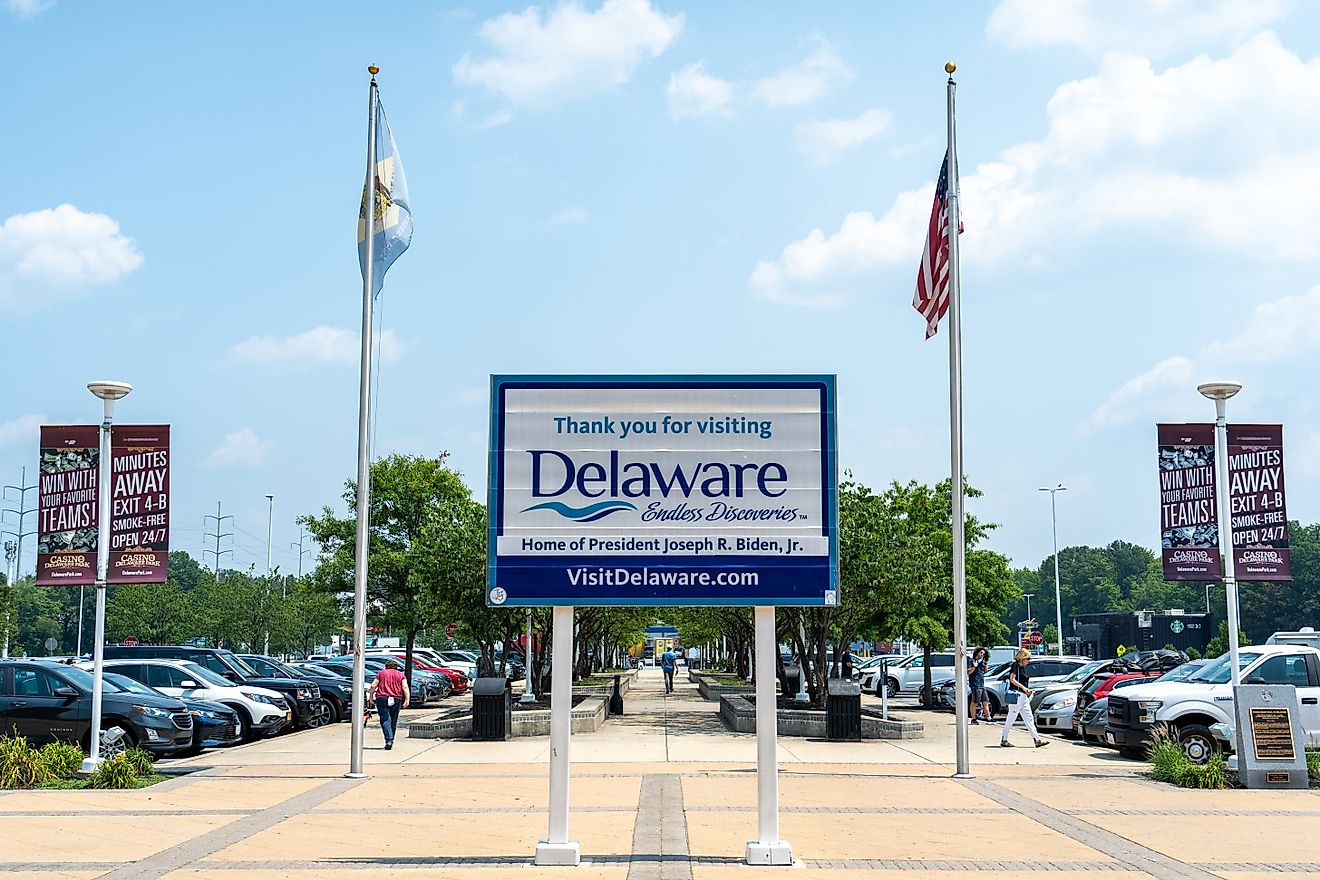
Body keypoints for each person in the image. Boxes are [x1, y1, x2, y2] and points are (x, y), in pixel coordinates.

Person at [1001, 648, 1048, 748]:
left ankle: (1037, 739)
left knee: (1029, 718)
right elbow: (1012, 679)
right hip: (1017, 695)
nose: (1029, 661)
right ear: (1023, 658)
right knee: (1011, 718)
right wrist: (1023, 688)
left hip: (1023, 696)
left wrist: (1026, 690)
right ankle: (1004, 739)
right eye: (1028, 658)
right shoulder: (1015, 666)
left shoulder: (1021, 667)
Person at [368, 658, 410, 750]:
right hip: (396, 698)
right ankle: (391, 740)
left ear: (386, 667)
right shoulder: (400, 675)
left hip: (382, 698)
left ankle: (388, 740)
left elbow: (373, 685)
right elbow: (405, 687)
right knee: (393, 720)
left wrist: (371, 697)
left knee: (385, 719)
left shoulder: (381, 673)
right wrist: (407, 699)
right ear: (396, 667)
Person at [968, 647, 990, 723]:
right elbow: (968, 672)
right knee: (975, 702)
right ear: (977, 652)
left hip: (982, 684)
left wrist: (986, 663)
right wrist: (974, 666)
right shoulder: (971, 660)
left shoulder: (981, 662)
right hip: (975, 684)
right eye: (981, 653)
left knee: (985, 701)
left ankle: (988, 717)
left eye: (983, 654)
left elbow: (985, 671)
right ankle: (973, 718)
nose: (982, 655)